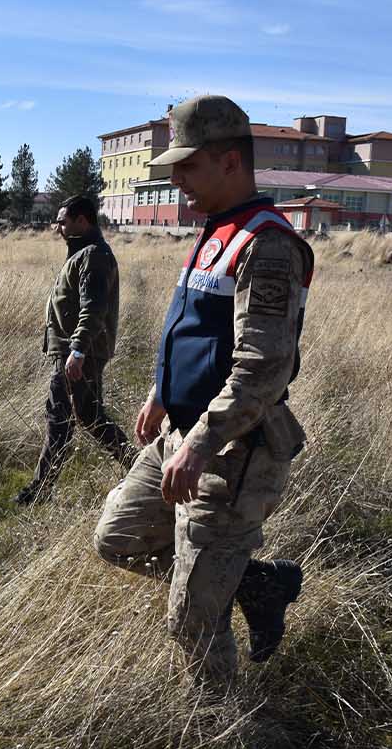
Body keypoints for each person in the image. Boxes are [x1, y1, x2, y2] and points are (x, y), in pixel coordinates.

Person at [92, 95, 314, 690]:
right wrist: (161, 392)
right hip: (179, 433)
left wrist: (201, 441)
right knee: (117, 538)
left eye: (187, 167)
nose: (177, 181)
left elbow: (263, 368)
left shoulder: (267, 244)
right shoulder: (218, 231)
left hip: (229, 450)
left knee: (192, 617)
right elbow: (195, 329)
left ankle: (224, 730)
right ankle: (256, 585)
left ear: (230, 162)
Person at [17, 196, 135, 505]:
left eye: (63, 221)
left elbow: (93, 309)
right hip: (75, 352)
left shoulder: (93, 256)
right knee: (88, 416)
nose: (58, 227)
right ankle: (138, 470)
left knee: (61, 419)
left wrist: (78, 350)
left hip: (78, 354)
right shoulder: (82, 253)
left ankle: (40, 490)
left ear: (82, 221)